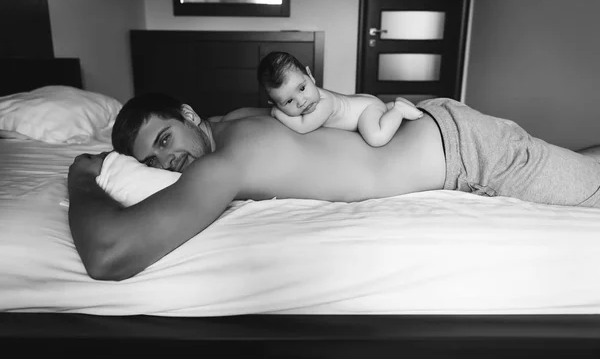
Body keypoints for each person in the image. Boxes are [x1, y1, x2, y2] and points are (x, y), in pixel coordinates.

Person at [67, 93, 600, 282]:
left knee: (591, 191)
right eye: (153, 160)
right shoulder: (226, 124)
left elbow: (109, 255)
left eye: (165, 138)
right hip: (446, 135)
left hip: (473, 151)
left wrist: (83, 177)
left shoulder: (224, 161)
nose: (169, 160)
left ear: (188, 115)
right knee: (575, 169)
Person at [258, 51, 424, 147]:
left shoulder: (324, 104)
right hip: (363, 102)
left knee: (376, 137)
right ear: (276, 103)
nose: (301, 102)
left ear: (310, 76)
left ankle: (398, 110)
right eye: (288, 102)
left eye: (302, 88)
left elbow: (303, 127)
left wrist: (277, 113)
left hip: (365, 110)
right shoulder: (312, 98)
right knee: (377, 113)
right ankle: (389, 106)